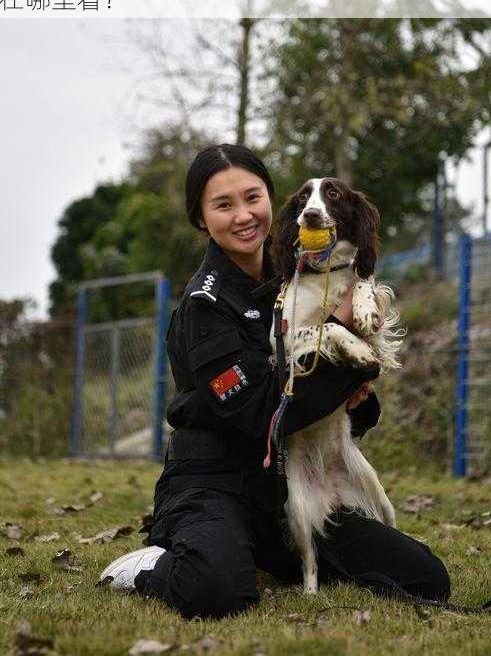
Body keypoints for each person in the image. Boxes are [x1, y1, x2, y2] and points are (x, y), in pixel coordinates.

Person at [100, 144, 450, 619]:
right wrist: (346, 351)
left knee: (423, 578)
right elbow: (266, 415)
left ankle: (264, 552)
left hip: (291, 483)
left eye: (253, 197)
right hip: (213, 482)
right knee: (217, 593)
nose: (243, 216)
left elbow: (336, 405)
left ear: (271, 200)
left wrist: (357, 396)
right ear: (201, 219)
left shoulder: (301, 279)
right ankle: (147, 567)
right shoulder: (205, 308)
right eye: (223, 205)